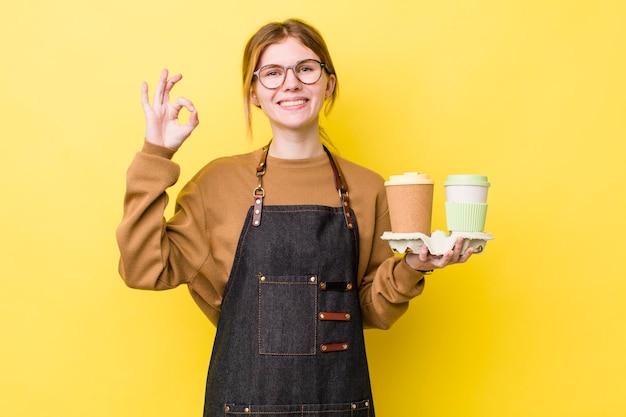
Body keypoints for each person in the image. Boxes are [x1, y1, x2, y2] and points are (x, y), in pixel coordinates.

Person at [116, 18, 473, 417]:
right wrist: (155, 154)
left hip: (341, 406)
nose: (291, 83)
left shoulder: (368, 189)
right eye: (272, 73)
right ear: (253, 93)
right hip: (242, 407)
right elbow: (143, 269)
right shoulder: (217, 185)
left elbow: (369, 310)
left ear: (328, 82)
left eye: (306, 68)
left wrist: (411, 267)